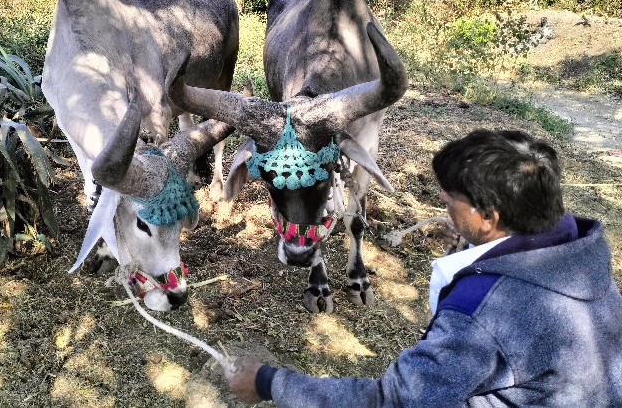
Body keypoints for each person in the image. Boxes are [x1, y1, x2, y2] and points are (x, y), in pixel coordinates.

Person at [225, 129, 622, 406]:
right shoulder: (582, 256)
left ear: (489, 216)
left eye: (451, 201)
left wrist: (268, 382)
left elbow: (393, 401)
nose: (444, 209)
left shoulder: (481, 313)